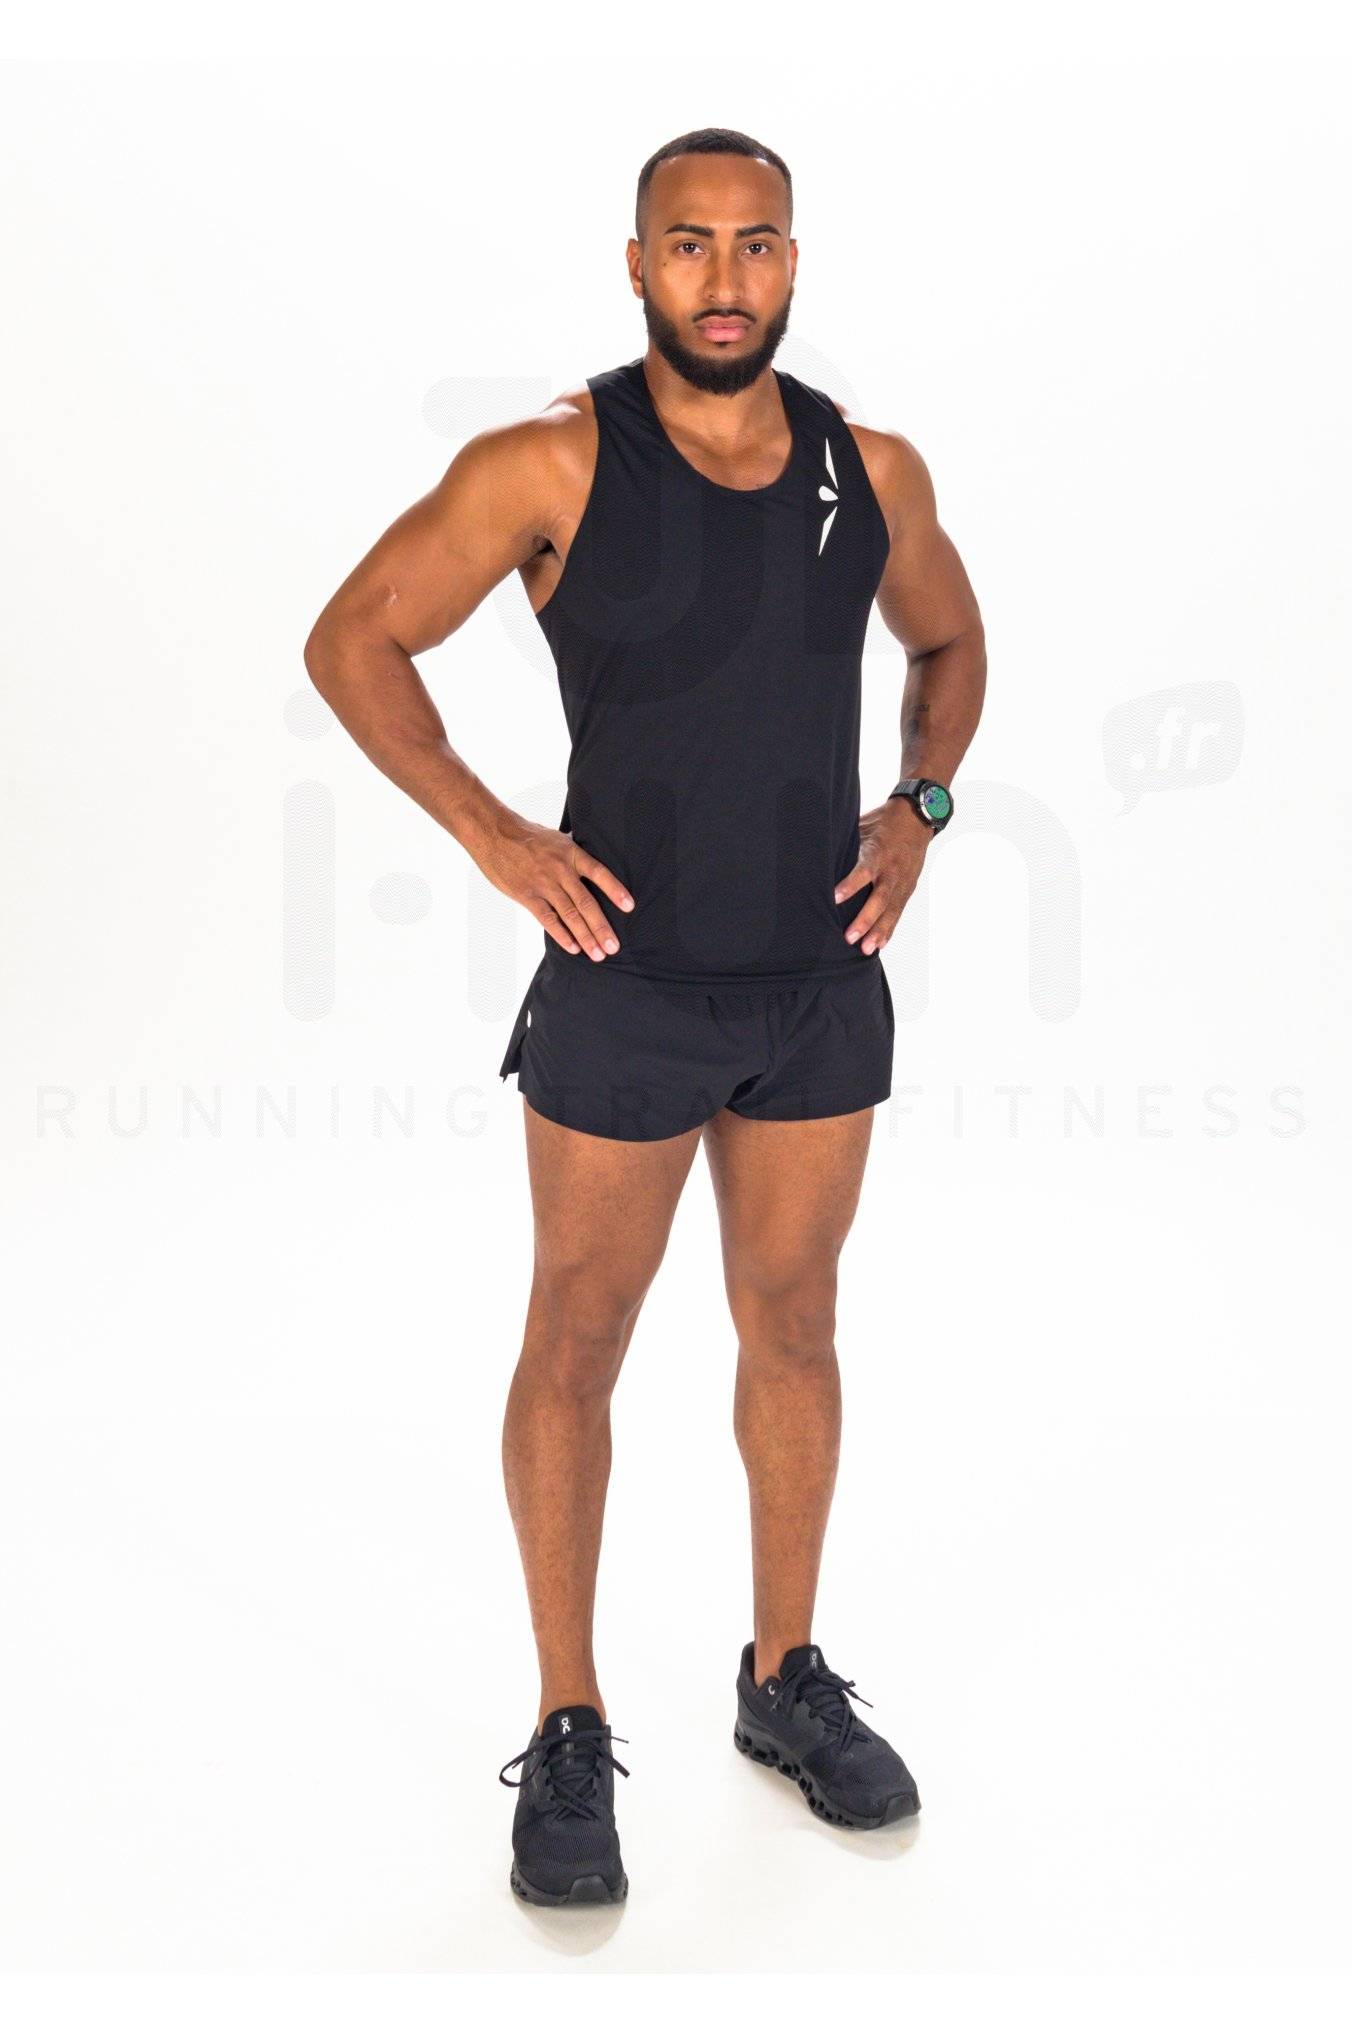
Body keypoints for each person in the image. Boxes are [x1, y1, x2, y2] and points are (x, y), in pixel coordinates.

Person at [304, 126, 986, 1907]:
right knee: (580, 1340)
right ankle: (570, 1718)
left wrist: (917, 812)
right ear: (637, 265)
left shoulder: (871, 468)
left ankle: (782, 1674)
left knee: (795, 1321)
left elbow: (952, 645)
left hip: (818, 983)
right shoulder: (548, 462)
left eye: (757, 243)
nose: (724, 277)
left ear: (793, 263)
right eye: (689, 242)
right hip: (625, 985)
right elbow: (354, 639)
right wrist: (495, 834)